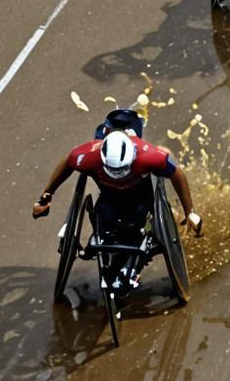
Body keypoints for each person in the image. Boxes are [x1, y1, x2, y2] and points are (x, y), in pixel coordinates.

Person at [32, 119, 202, 286]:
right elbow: (69, 160)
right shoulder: (89, 156)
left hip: (141, 199)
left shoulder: (149, 155)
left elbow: (176, 173)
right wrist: (47, 195)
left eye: (122, 169)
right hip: (109, 198)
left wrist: (190, 212)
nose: (119, 174)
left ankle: (132, 265)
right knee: (104, 219)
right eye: (113, 170)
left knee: (138, 224)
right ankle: (106, 243)